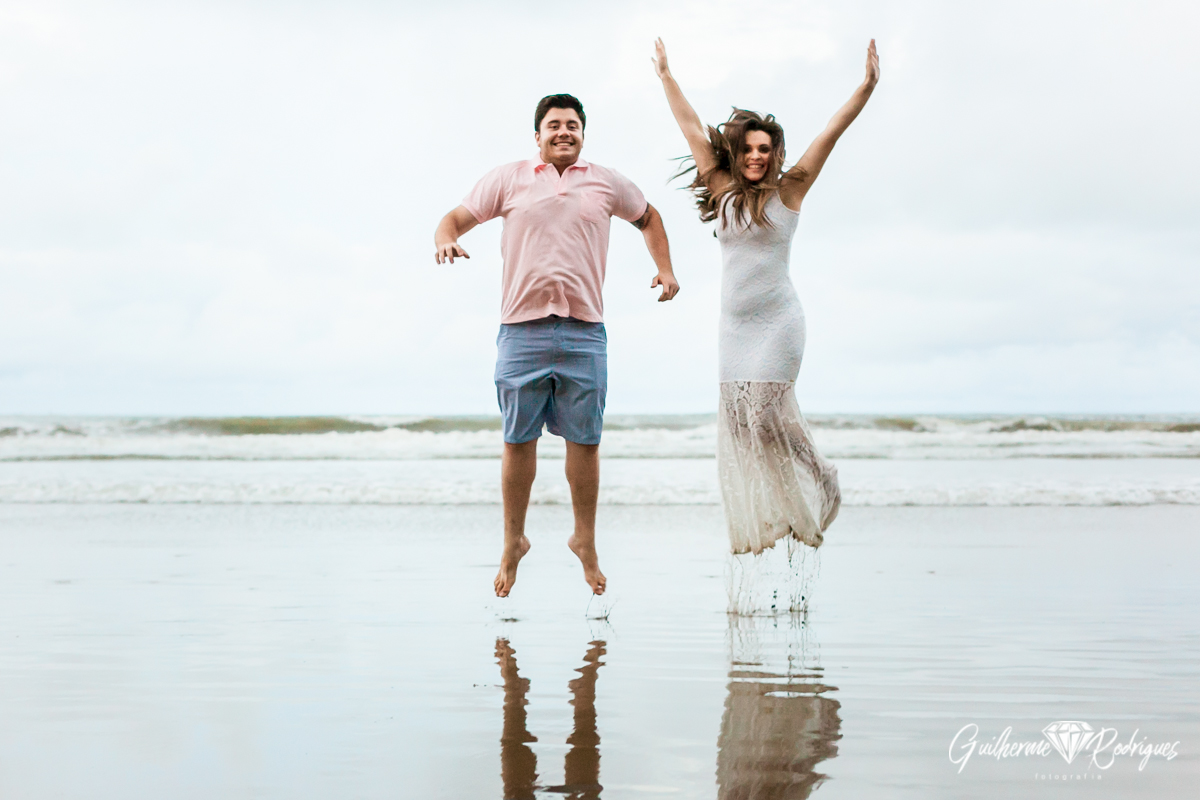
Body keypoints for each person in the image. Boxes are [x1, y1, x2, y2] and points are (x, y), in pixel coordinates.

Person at [434, 94, 679, 597]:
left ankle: (583, 540)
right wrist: (445, 240)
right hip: (520, 329)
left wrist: (665, 269)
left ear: (583, 133)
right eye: (553, 125)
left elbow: (649, 218)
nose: (563, 131)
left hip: (584, 329)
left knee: (585, 440)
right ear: (538, 135)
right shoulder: (508, 178)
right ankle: (513, 540)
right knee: (516, 440)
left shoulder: (606, 182)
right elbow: (453, 219)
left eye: (572, 124)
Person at [652, 39, 879, 555]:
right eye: (749, 148)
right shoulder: (722, 189)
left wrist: (864, 87)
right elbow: (690, 127)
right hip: (733, 329)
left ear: (775, 153)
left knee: (765, 416)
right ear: (737, 152)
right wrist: (666, 76)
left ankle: (821, 477)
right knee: (742, 423)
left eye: (765, 148)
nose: (756, 155)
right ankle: (778, 513)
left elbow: (830, 134)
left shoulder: (790, 191)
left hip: (778, 322)